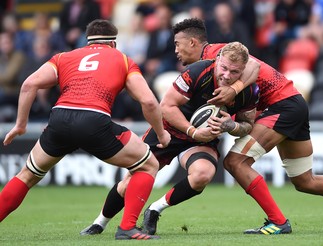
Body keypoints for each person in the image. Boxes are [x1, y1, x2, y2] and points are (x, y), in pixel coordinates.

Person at [84, 17, 323, 236]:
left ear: (195, 43)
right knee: (305, 181)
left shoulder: (215, 54)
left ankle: (277, 221)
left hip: (280, 106)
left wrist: (233, 92)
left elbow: (255, 65)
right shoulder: (204, 68)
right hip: (293, 104)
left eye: (180, 45)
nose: (176, 51)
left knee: (235, 161)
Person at [0, 19, 171, 240]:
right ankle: (127, 228)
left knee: (27, 175)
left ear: (87, 41)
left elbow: (29, 84)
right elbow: (148, 102)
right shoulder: (123, 59)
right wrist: (162, 133)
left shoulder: (63, 57)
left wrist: (20, 125)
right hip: (94, 120)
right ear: (113, 43)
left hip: (59, 118)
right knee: (148, 165)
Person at [80, 41, 259, 236]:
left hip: (201, 140)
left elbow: (247, 124)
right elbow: (166, 106)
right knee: (129, 183)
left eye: (234, 72)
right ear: (217, 60)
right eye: (224, 68)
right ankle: (100, 222)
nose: (227, 75)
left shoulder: (249, 91)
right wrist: (192, 131)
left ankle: (155, 209)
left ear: (243, 70)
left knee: (203, 174)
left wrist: (231, 126)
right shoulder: (197, 71)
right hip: (167, 132)